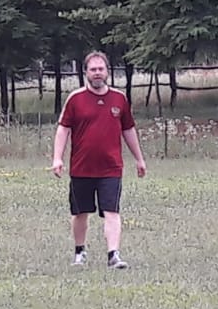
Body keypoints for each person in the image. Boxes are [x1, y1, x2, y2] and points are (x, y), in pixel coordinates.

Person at [50, 51, 147, 269]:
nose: (97, 73)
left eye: (100, 69)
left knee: (112, 211)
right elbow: (63, 129)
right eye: (93, 69)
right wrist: (57, 158)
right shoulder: (75, 99)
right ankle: (79, 252)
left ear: (107, 71)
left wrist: (139, 159)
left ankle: (114, 255)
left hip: (111, 168)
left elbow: (128, 130)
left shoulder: (119, 99)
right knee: (80, 212)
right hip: (81, 168)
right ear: (86, 72)